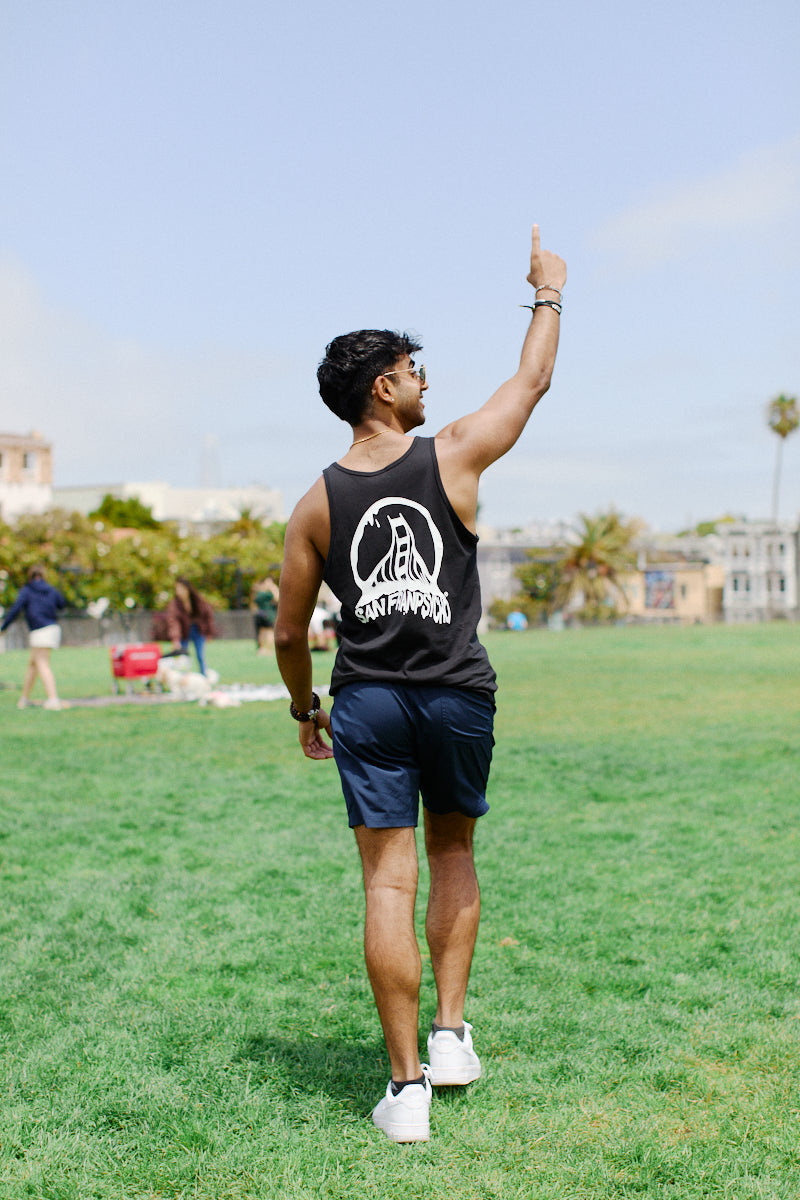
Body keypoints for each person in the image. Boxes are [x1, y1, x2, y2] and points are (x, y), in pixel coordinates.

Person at [274, 225, 566, 1143]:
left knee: (385, 885)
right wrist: (549, 291)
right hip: (456, 694)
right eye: (413, 371)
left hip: (365, 700)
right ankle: (449, 1035)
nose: (425, 384)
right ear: (381, 387)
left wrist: (304, 707)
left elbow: (287, 631)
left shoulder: (315, 502)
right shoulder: (454, 455)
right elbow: (531, 382)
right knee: (453, 854)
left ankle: (407, 1094)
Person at [1, 565, 67, 710]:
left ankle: (53, 700)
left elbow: (15, 609)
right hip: (53, 628)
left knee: (42, 663)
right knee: (33, 664)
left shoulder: (27, 590)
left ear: (30, 576)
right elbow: (62, 604)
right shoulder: (51, 589)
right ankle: (24, 699)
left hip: (40, 631)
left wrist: (3, 627)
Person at [165, 578, 218, 676]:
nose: (178, 591)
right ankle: (183, 678)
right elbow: (173, 622)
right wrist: (175, 639)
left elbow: (207, 616)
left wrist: (209, 632)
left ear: (187, 589)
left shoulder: (198, 600)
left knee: (200, 655)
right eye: (177, 589)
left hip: (198, 630)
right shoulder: (175, 604)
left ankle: (204, 676)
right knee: (183, 657)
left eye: (180, 588)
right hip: (184, 632)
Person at [250, 572, 280, 654]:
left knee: (261, 632)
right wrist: (273, 587)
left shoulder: (258, 592)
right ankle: (268, 650)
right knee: (270, 632)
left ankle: (261, 649)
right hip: (268, 614)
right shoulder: (269, 593)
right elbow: (278, 598)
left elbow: (254, 603)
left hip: (259, 614)